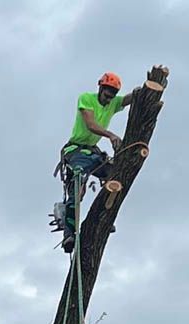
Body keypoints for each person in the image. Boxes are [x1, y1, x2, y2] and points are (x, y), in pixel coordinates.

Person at [58, 71, 137, 253]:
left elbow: (128, 99)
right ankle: (69, 234)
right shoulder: (86, 99)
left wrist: (144, 88)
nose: (109, 95)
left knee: (115, 176)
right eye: (107, 90)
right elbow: (90, 124)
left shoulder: (114, 103)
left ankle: (104, 217)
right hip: (75, 150)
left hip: (92, 153)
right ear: (100, 87)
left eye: (113, 92)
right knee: (78, 184)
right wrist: (110, 135)